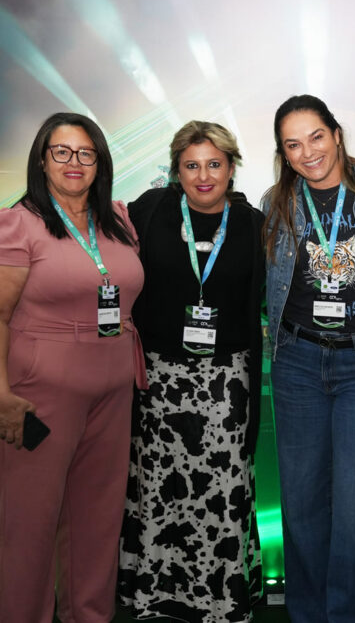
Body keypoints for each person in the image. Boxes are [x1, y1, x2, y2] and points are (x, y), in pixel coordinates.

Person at [0, 112, 145, 623]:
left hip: (113, 391)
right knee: (27, 528)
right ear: (42, 160)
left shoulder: (117, 220)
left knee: (97, 524)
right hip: (39, 394)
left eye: (86, 153)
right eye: (62, 152)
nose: (75, 162)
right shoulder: (17, 223)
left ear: (100, 162)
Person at [262, 94, 355, 623]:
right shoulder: (276, 202)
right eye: (293, 145)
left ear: (337, 134)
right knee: (302, 502)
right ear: (283, 153)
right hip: (297, 363)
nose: (308, 153)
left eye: (316, 137)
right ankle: (307, 614)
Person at [118, 121, 265, 622]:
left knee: (223, 490)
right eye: (192, 165)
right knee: (159, 489)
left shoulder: (253, 225)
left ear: (232, 167)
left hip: (227, 383)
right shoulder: (148, 211)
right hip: (159, 380)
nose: (204, 176)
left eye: (214, 164)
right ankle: (157, 596)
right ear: (176, 170)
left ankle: (221, 599)